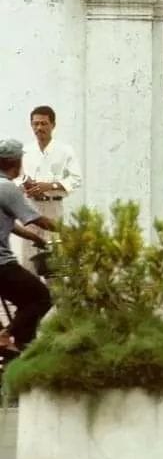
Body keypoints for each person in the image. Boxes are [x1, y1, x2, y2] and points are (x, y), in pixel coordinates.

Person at [0, 139, 55, 355]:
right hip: (2, 264)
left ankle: (21, 348)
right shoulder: (7, 188)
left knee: (26, 302)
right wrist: (70, 232)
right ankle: (5, 336)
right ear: (16, 161)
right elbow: (36, 218)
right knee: (42, 297)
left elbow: (9, 222)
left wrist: (33, 237)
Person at [16, 106, 81, 274]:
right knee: (29, 262)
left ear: (53, 125)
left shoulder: (65, 151)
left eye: (44, 123)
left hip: (53, 209)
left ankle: (55, 299)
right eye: (35, 124)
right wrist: (25, 185)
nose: (39, 128)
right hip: (30, 209)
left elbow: (76, 179)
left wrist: (49, 186)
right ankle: (31, 299)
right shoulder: (25, 152)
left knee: (54, 261)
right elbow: (16, 178)